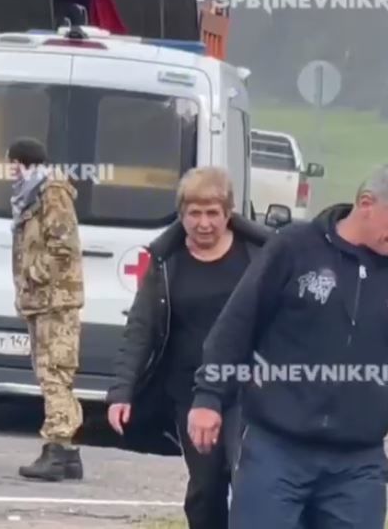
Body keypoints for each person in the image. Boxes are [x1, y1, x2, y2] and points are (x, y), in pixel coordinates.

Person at [188, 163, 388, 528]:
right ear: (366, 203)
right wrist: (209, 396)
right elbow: (236, 326)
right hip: (276, 450)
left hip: (358, 464)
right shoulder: (293, 248)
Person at [106, 166, 271, 528]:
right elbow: (141, 327)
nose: (204, 222)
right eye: (194, 213)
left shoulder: (258, 255)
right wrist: (121, 391)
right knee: (206, 487)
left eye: (213, 213)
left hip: (248, 389)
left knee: (249, 480)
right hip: (190, 393)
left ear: (229, 214)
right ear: (181, 215)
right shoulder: (166, 263)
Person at [8, 137, 84, 481]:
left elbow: (62, 247)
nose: (9, 170)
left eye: (11, 163)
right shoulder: (33, 194)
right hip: (43, 300)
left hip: (55, 300)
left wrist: (32, 276)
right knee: (51, 374)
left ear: (21, 161)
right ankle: (67, 454)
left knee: (54, 372)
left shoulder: (51, 193)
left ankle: (56, 449)